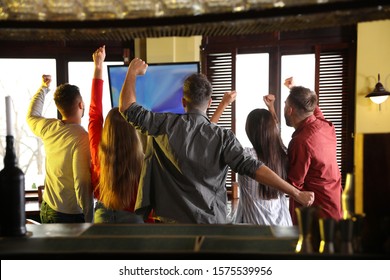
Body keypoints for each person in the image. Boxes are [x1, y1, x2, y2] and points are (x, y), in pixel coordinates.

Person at [118, 58, 314, 224]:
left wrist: (133, 71)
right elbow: (254, 167)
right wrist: (296, 194)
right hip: (211, 226)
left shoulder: (163, 125)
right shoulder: (223, 138)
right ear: (209, 102)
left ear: (183, 101)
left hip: (170, 227)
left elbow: (127, 107)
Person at [212, 92, 292, 226]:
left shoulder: (246, 157)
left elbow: (209, 134)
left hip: (255, 230)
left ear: (249, 131)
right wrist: (271, 108)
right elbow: (275, 134)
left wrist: (223, 104)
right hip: (283, 227)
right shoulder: (282, 154)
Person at [88, 45, 145, 223]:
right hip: (133, 219)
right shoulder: (143, 160)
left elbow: (94, 114)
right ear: (132, 129)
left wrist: (98, 66)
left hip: (102, 217)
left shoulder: (98, 151)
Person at [26, 75, 93, 223]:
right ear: (81, 105)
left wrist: (43, 88)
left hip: (47, 208)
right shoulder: (82, 138)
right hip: (69, 216)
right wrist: (90, 219)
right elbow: (81, 181)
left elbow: (32, 116)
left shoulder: (49, 128)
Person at [283, 77, 343, 224]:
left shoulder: (300, 142)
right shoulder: (326, 126)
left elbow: (294, 185)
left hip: (317, 214)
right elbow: (313, 108)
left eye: (285, 105)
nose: (283, 108)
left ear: (290, 110)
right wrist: (293, 88)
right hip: (336, 204)